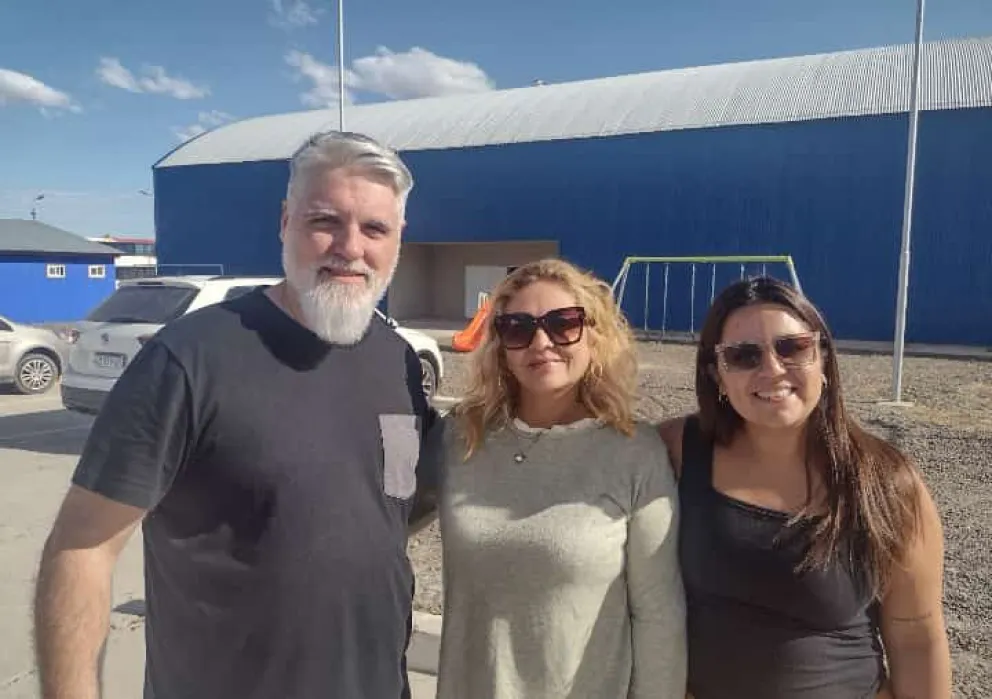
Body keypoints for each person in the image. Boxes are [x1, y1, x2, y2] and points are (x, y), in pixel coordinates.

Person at [33, 130, 440, 699]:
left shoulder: (396, 360)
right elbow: (82, 548)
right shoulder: (189, 359)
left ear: (397, 239)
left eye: (375, 228)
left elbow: (391, 505)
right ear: (285, 222)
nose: (351, 247)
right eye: (325, 221)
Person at [657, 276, 952, 699]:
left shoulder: (884, 481)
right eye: (743, 356)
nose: (773, 369)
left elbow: (917, 638)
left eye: (792, 347)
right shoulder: (676, 452)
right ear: (717, 375)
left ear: (823, 360)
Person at [433, 259, 687, 699]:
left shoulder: (635, 453)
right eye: (518, 328)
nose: (540, 342)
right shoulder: (461, 440)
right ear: (500, 345)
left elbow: (659, 615)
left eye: (562, 324)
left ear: (595, 336)